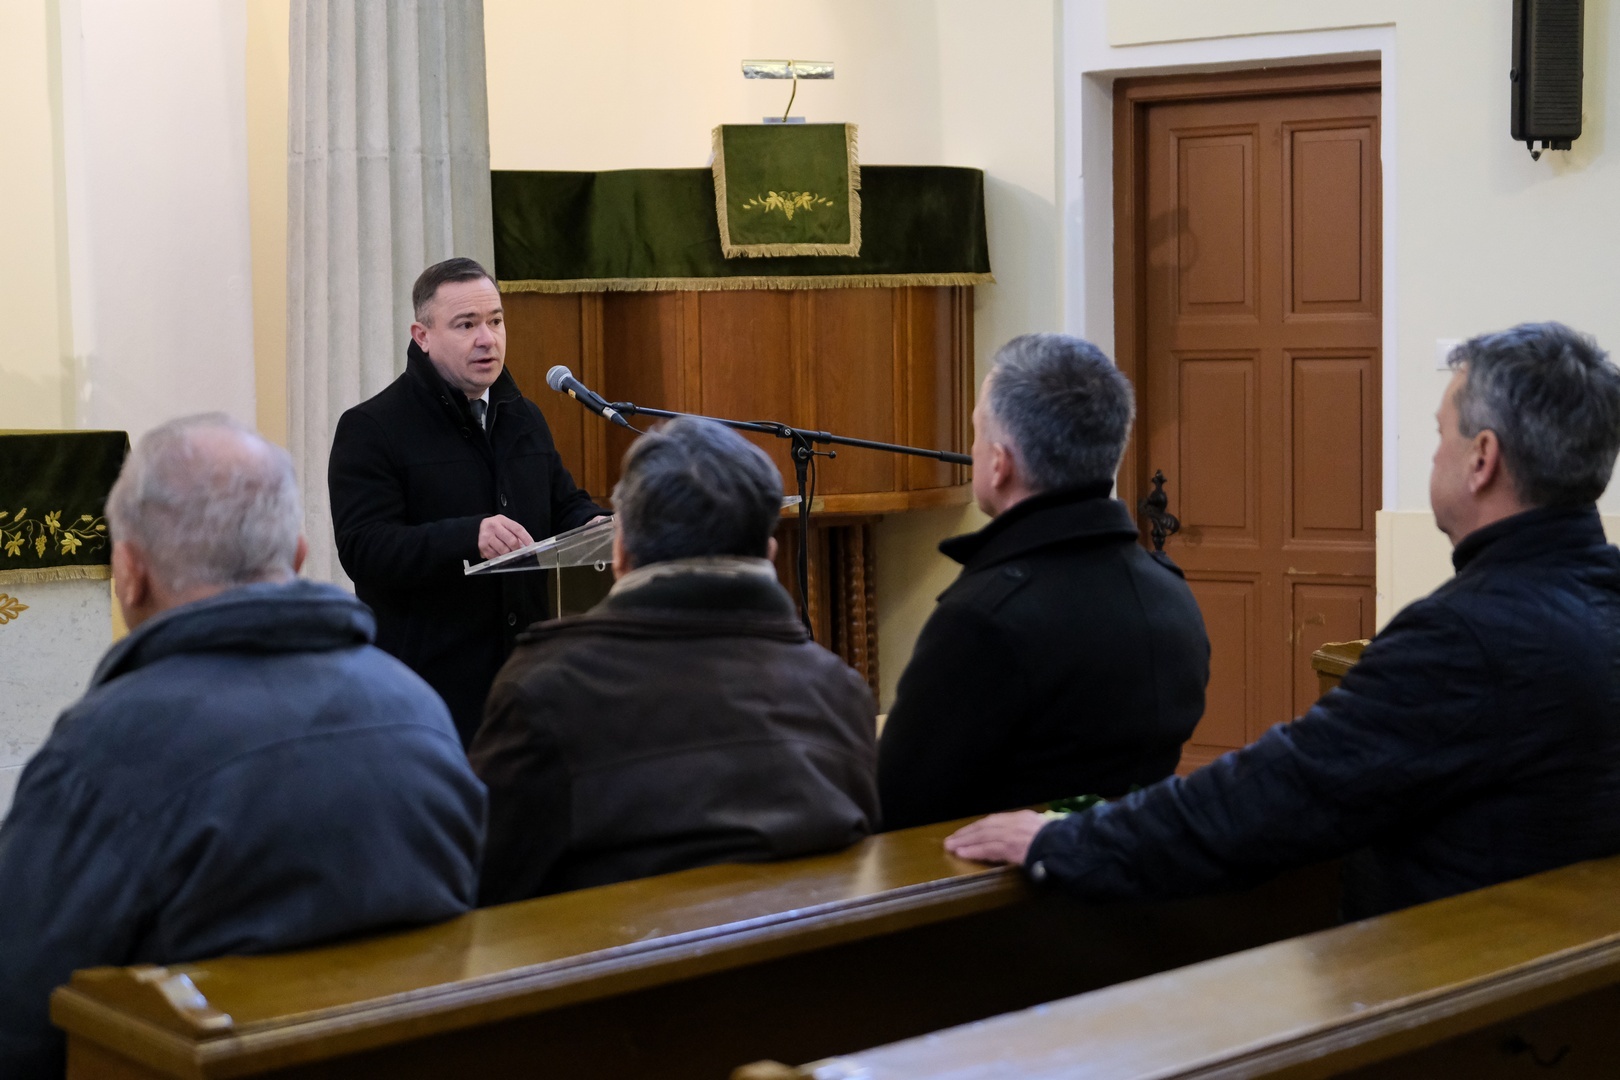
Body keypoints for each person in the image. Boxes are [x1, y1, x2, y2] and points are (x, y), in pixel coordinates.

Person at [947, 322, 1620, 920]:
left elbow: (1280, 793)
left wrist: (1064, 841)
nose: (1435, 454)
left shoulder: (1464, 639)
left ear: (1482, 458)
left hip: (1450, 989)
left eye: (1441, 434)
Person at [0, 414, 485, 1080]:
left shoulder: (104, 751)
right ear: (297, 556)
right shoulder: (419, 712)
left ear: (130, 572)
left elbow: (18, 1015)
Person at [470, 416, 879, 903]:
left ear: (621, 551)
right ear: (768, 552)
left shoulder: (544, 692)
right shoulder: (839, 692)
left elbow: (479, 891)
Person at [877, 333, 1210, 831]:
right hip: (1145, 865)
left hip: (1000, 877)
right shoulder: (1169, 591)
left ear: (999, 462)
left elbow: (897, 806)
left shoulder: (982, 621)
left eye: (976, 433)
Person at [328, 257, 607, 744]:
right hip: (430, 691)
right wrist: (468, 536)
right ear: (422, 336)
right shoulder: (372, 428)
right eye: (466, 325)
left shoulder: (524, 417)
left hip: (528, 678)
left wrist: (594, 526)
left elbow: (562, 503)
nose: (487, 339)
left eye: (496, 321)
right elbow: (364, 548)